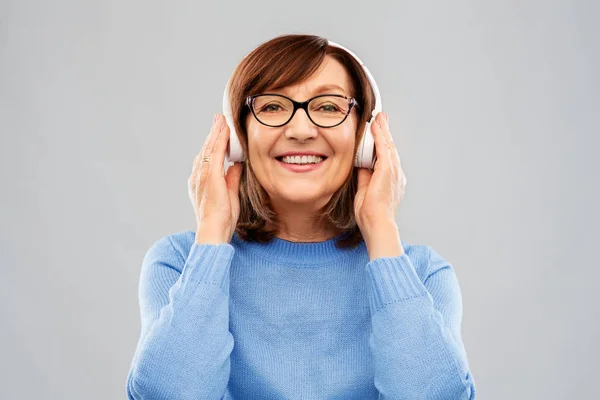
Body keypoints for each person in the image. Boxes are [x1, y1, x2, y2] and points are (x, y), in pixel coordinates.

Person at [125, 34, 476, 399]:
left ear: (365, 139)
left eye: (327, 107)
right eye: (273, 107)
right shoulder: (181, 263)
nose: (301, 131)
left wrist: (382, 229)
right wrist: (212, 230)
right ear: (239, 138)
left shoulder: (421, 274)